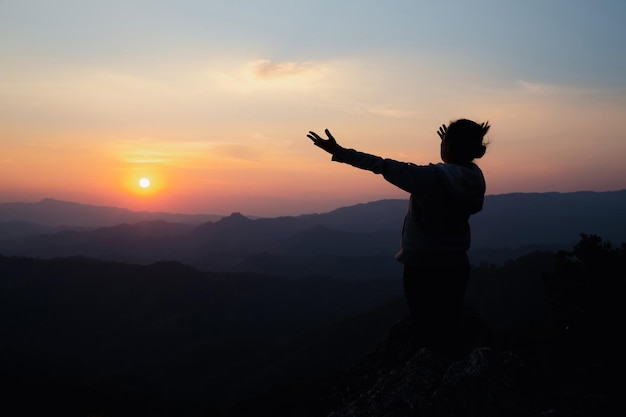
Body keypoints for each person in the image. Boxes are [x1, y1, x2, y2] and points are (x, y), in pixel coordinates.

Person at [307, 119, 490, 357]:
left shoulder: (428, 178)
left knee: (427, 333)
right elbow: (453, 172)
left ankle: (428, 381)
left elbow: (382, 165)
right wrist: (449, 147)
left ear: (451, 147)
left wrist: (340, 152)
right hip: (456, 264)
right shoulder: (475, 178)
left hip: (424, 267)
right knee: (449, 324)